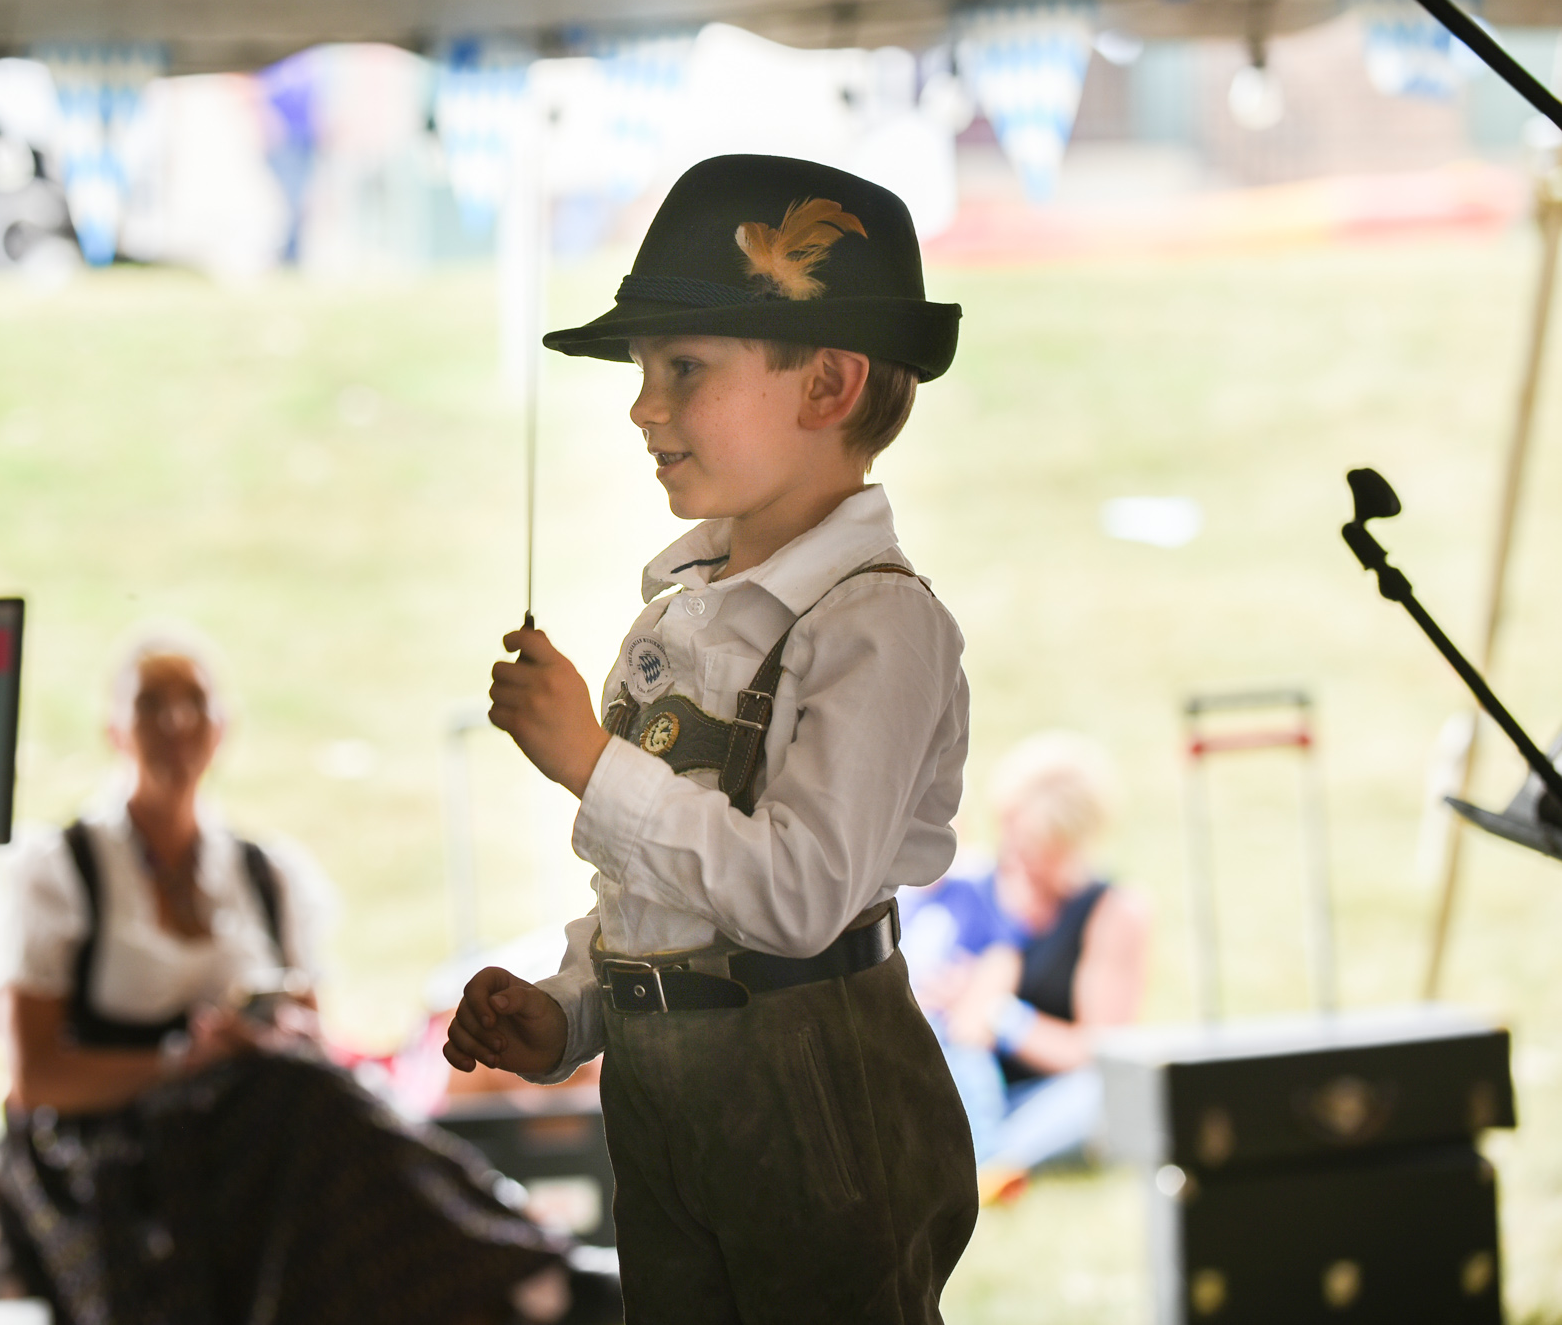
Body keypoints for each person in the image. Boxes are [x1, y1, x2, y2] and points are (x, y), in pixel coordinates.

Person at [445, 155, 977, 1323]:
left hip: (818, 1096)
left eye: (683, 368)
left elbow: (795, 894)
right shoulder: (675, 618)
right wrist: (572, 1005)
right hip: (665, 1094)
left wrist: (590, 763)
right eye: (643, 371)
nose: (643, 405)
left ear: (826, 383)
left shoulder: (877, 625)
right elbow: (665, 893)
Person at [0, 630, 566, 1325]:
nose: (175, 722)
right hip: (111, 1158)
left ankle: (510, 1265)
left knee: (310, 1108)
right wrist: (181, 1061)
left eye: (194, 702)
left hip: (247, 1142)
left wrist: (269, 1033)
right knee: (309, 1109)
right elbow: (35, 1077)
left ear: (221, 728)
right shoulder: (62, 869)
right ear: (115, 729)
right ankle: (522, 1264)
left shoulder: (263, 874)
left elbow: (312, 1035)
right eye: (151, 704)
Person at [907, 732, 1150, 1205]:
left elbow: (1101, 1052)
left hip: (1047, 1097)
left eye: (1035, 844)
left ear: (1073, 840)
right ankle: (980, 1158)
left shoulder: (1113, 911)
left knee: (1112, 1094)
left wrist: (999, 1016)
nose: (1016, 854)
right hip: (955, 1080)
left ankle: (990, 1164)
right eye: (1010, 832)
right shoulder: (970, 887)